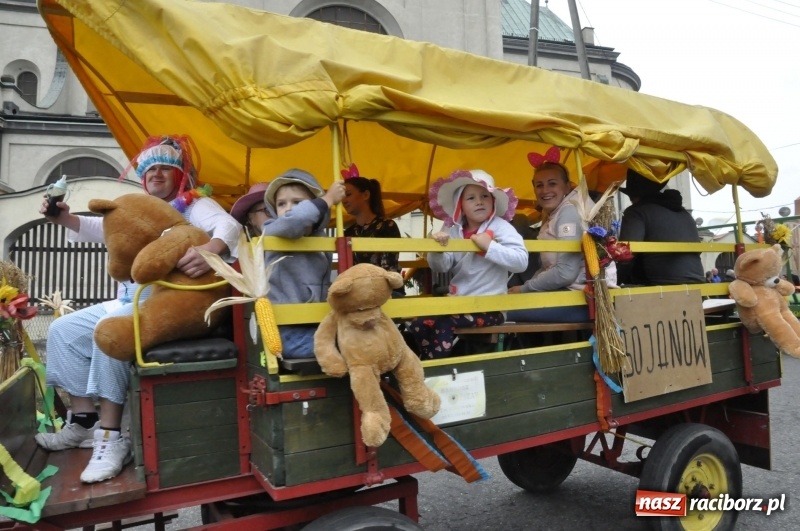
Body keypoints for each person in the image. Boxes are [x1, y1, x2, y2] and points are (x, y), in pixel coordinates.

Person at [34, 135, 242, 484]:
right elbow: (104, 229)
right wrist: (65, 218)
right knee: (62, 330)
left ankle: (112, 437)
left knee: (112, 329)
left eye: (165, 168)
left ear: (180, 175)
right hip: (128, 298)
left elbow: (229, 226)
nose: (156, 174)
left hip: (166, 301)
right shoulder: (138, 206)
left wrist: (211, 249)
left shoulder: (193, 205)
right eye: (149, 169)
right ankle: (84, 423)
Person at [405, 169, 528, 359]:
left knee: (444, 323)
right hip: (458, 304)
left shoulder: (500, 226)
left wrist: (490, 247)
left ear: (493, 200)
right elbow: (442, 266)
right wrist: (437, 250)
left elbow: (521, 262)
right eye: (471, 198)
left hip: (490, 308)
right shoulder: (452, 229)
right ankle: (424, 364)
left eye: (485, 196)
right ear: (459, 205)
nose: (479, 201)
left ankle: (435, 368)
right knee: (416, 323)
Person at [261, 169, 346, 358]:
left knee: (358, 343)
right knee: (340, 349)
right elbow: (296, 220)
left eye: (297, 202)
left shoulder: (321, 239)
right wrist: (328, 198)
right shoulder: (273, 230)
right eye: (281, 204)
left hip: (317, 322)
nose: (288, 209)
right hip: (287, 329)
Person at [507, 154, 594, 322]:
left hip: (579, 298)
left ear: (567, 187)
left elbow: (565, 273)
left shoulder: (569, 212)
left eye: (552, 183)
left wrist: (524, 289)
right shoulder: (555, 213)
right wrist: (524, 288)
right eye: (539, 185)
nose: (545, 190)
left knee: (496, 310)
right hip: (565, 293)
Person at [616, 169, 705, 286]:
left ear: (634, 195)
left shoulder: (636, 212)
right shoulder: (685, 214)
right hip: (699, 283)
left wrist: (614, 280)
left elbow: (626, 255)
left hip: (660, 286)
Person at [342, 175, 405, 297]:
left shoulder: (387, 226)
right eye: (342, 196)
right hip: (357, 292)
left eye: (348, 194)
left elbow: (389, 267)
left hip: (386, 291)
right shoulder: (348, 232)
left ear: (366, 195)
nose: (344, 200)